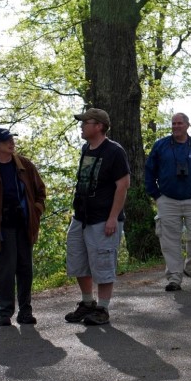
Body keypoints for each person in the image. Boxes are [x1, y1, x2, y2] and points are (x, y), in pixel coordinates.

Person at [0, 128, 46, 327]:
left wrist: (36, 210)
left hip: (24, 224)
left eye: (12, 139)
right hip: (2, 228)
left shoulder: (25, 166)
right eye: (7, 141)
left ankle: (25, 311)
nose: (11, 143)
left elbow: (40, 192)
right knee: (5, 270)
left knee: (25, 268)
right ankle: (4, 312)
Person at [64, 108, 130, 325]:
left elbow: (123, 185)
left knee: (103, 263)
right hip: (81, 217)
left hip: (103, 218)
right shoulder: (86, 148)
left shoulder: (114, 151)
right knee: (78, 260)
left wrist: (113, 217)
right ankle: (87, 303)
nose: (81, 126)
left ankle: (102, 308)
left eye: (86, 122)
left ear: (99, 126)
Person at [145, 112, 191, 292]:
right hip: (167, 200)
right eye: (173, 123)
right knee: (169, 241)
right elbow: (149, 171)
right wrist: (156, 195)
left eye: (179, 123)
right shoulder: (161, 146)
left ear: (187, 125)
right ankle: (174, 278)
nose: (176, 126)